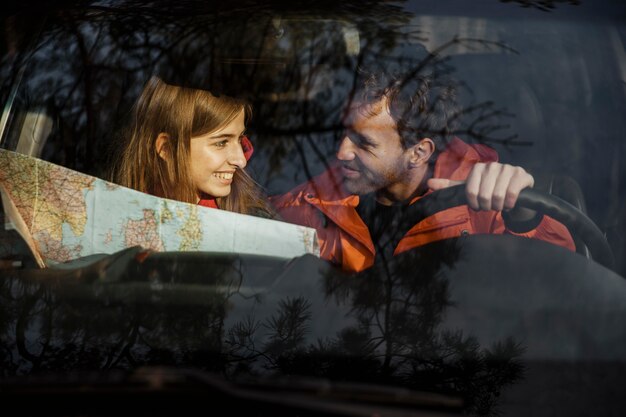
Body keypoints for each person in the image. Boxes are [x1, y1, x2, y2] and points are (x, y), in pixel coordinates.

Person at [270, 69, 575, 273]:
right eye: (344, 133)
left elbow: (560, 277)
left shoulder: (485, 201)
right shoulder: (314, 201)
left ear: (419, 152)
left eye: (363, 142)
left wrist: (524, 218)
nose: (341, 152)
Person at [112, 75, 276, 218]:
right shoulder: (119, 218)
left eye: (240, 139)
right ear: (166, 148)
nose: (241, 160)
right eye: (221, 142)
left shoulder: (253, 221)